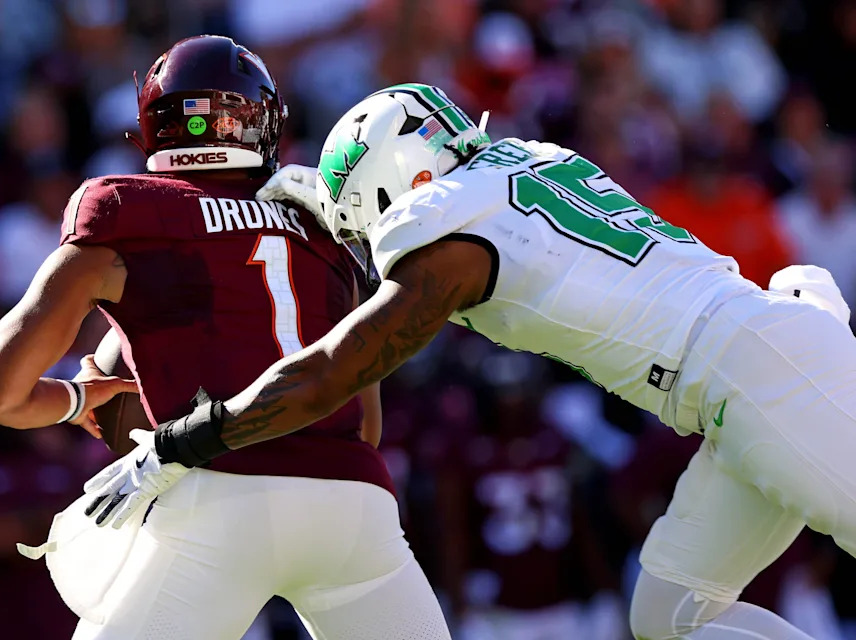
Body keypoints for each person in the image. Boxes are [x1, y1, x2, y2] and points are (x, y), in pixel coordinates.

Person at [120, 83, 856, 640]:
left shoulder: (444, 232)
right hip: (752, 368)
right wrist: (332, 192)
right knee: (672, 613)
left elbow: (333, 372)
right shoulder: (533, 158)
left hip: (756, 371)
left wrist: (190, 439)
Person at [0, 40, 451, 640]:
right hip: (353, 504)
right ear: (263, 123)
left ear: (153, 127)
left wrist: (76, 398)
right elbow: (365, 426)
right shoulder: (325, 236)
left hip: (216, 497)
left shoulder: (124, 209)